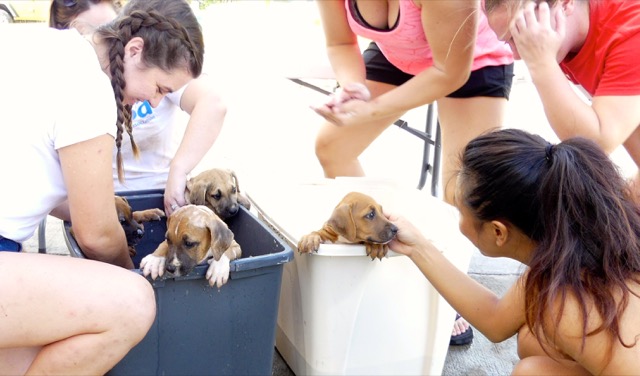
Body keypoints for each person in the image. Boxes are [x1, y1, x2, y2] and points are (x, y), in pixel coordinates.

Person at [0, 0, 204, 372]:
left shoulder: (44, 43)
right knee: (133, 302)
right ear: (134, 49)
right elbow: (94, 233)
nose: (157, 101)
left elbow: (43, 188)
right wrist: (133, 269)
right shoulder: (89, 88)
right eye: (159, 87)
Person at [312, 0, 514, 346]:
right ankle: (378, 238)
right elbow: (340, 43)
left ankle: (446, 298)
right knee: (333, 146)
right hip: (400, 57)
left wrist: (373, 109)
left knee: (463, 195)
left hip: (467, 60)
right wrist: (351, 87)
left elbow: (450, 71)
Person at [387, 128, 640, 374]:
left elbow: (496, 323)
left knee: (531, 372)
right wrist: (417, 246)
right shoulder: (589, 237)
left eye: (461, 212)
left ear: (498, 232)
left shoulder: (557, 299)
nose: (459, 221)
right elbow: (497, 319)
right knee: (532, 339)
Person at [50, 0, 227, 216]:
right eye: (159, 89)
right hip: (98, 204)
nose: (156, 102)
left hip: (156, 192)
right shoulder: (82, 86)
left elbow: (213, 103)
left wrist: (179, 169)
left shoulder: (160, 63)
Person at [483, 0, 640, 201]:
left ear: (565, 3)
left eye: (520, 33)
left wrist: (541, 62)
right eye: (508, 41)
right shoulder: (566, 38)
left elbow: (595, 143)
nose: (514, 55)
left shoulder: (629, 30)